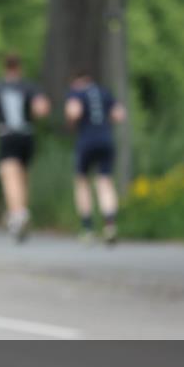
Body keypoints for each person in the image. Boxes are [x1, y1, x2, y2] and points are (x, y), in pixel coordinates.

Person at [0, 53, 50, 241]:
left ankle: (17, 215)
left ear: (4, 67)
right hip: (27, 135)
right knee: (23, 176)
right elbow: (41, 109)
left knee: (9, 175)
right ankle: (23, 211)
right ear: (20, 67)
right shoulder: (29, 86)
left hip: (6, 135)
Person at [65, 69, 126, 244]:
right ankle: (110, 225)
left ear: (77, 81)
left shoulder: (76, 92)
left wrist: (71, 123)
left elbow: (73, 112)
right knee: (105, 181)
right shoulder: (105, 92)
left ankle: (88, 228)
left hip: (86, 141)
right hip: (106, 139)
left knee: (82, 181)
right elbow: (119, 114)